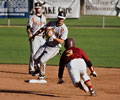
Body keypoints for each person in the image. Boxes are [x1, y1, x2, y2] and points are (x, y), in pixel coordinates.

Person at [30, 11, 68, 80]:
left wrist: (53, 37)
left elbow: (62, 41)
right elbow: (42, 29)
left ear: (64, 19)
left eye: (62, 18)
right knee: (35, 58)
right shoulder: (51, 23)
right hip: (46, 44)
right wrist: (34, 35)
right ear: (57, 17)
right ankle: (38, 70)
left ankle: (42, 75)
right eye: (59, 18)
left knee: (42, 60)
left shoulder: (64, 29)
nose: (60, 20)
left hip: (54, 47)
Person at [26, 2, 46, 74]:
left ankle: (38, 68)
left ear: (41, 8)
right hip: (35, 37)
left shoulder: (44, 17)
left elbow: (45, 28)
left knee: (42, 53)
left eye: (39, 8)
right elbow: (28, 27)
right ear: (35, 9)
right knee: (33, 53)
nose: (38, 9)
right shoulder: (32, 17)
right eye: (37, 8)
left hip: (43, 38)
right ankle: (31, 68)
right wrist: (30, 34)